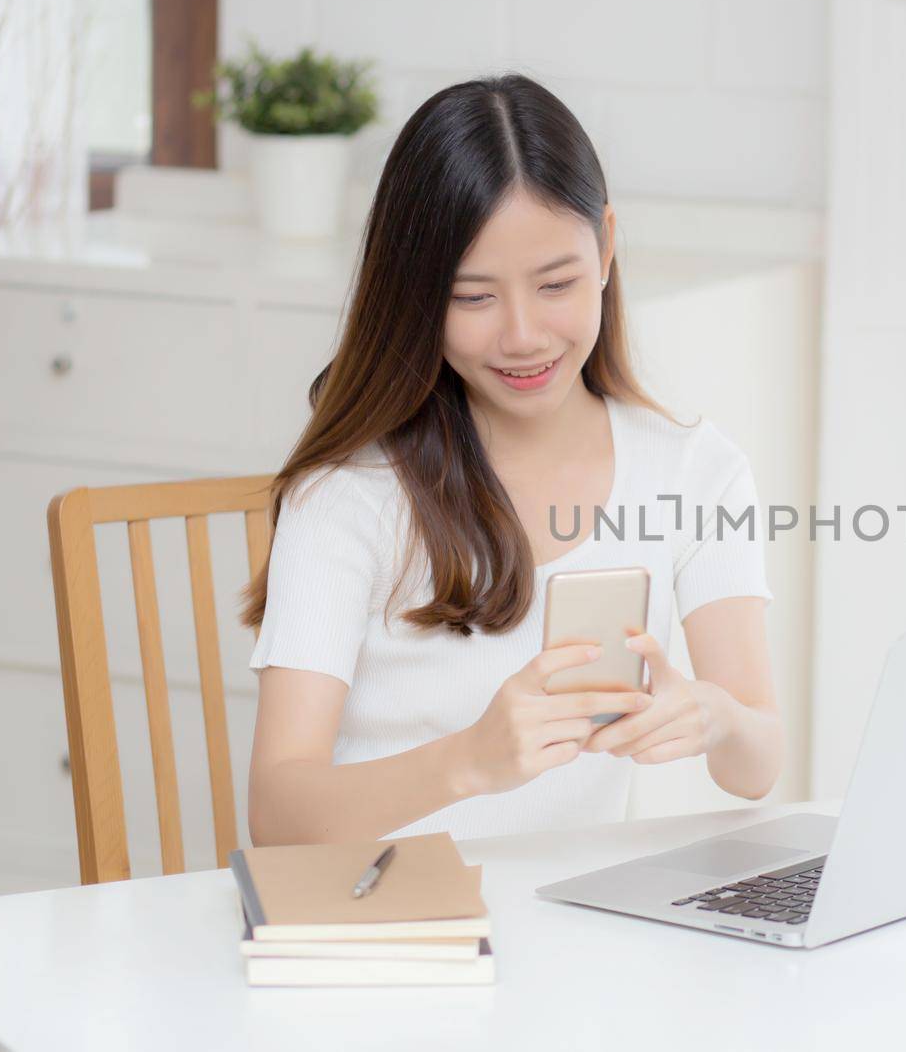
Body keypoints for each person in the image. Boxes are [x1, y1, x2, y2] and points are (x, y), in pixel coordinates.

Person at [240, 74, 780, 846]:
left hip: (565, 930)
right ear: (417, 294)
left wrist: (714, 715)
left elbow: (756, 765)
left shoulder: (695, 471)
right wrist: (470, 760)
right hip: (388, 924)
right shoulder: (351, 496)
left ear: (606, 248)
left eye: (556, 282)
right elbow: (278, 816)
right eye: (472, 297)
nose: (523, 335)